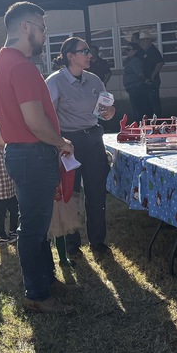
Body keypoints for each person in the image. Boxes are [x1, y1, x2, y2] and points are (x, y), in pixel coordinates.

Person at [0, 2, 77, 314]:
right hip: (34, 154)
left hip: (23, 154)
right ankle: (37, 295)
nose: (44, 35)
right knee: (32, 227)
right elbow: (35, 122)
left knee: (37, 225)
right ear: (25, 27)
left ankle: (46, 280)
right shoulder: (22, 66)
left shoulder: (3, 61)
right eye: (41, 28)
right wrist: (61, 142)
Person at [46, 37, 116, 257]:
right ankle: (72, 243)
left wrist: (110, 112)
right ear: (70, 56)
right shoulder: (55, 82)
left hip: (94, 140)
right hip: (69, 143)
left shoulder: (94, 80)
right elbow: (47, 116)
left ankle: (97, 241)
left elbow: (105, 110)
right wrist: (58, 143)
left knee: (96, 193)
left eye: (88, 51)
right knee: (71, 193)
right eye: (83, 51)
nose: (89, 55)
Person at [122, 42, 152, 119]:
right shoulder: (130, 60)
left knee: (139, 108)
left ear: (135, 51)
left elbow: (140, 74)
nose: (127, 51)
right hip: (133, 88)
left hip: (136, 88)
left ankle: (141, 124)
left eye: (129, 50)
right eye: (126, 49)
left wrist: (145, 81)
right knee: (137, 108)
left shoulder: (135, 61)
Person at [139, 34, 165, 116]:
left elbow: (160, 63)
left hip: (152, 79)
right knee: (149, 100)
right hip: (148, 78)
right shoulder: (146, 51)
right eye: (141, 41)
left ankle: (157, 119)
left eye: (144, 41)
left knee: (153, 100)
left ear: (149, 41)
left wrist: (153, 76)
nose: (142, 43)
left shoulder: (153, 51)